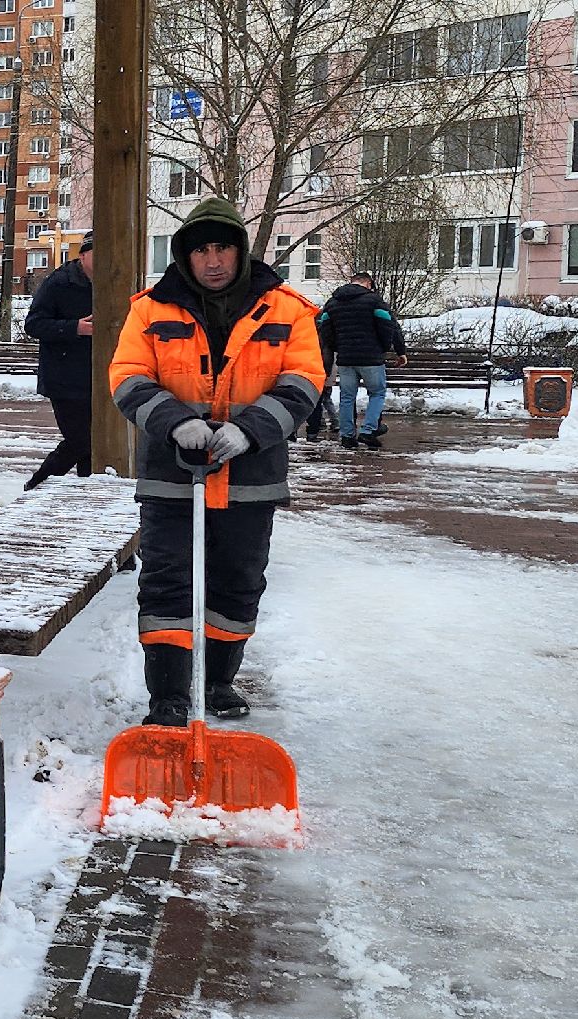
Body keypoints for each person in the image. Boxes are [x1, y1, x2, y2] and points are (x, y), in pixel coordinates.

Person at [110, 198, 326, 725]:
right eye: (202, 250)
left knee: (237, 581)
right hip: (172, 476)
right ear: (185, 255)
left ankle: (217, 683)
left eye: (222, 248)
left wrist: (250, 431)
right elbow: (128, 377)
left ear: (240, 250)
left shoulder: (287, 309)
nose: (213, 260)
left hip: (251, 478)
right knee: (167, 583)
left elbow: (303, 382)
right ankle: (168, 695)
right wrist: (174, 422)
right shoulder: (150, 310)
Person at [22, 230, 95, 490]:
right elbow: (33, 324)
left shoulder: (112, 283)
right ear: (83, 256)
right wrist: (74, 328)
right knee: (80, 441)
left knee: (93, 444)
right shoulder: (59, 283)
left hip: (97, 378)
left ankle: (89, 492)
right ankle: (36, 486)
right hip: (63, 379)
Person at [317, 272, 406, 449]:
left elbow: (324, 328)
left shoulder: (333, 303)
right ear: (368, 283)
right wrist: (390, 348)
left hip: (345, 358)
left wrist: (338, 346)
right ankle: (368, 431)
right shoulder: (374, 301)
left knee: (347, 397)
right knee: (377, 393)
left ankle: (347, 436)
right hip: (371, 358)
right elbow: (389, 325)